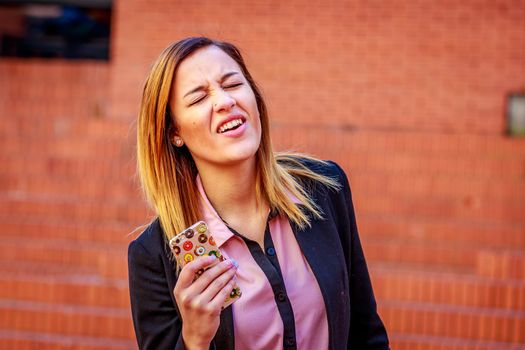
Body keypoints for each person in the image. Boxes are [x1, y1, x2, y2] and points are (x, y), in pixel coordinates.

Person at [128, 36, 389, 350]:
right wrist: (194, 339)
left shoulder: (325, 189)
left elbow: (366, 334)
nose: (224, 101)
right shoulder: (155, 256)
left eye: (233, 84)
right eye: (198, 98)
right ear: (174, 133)